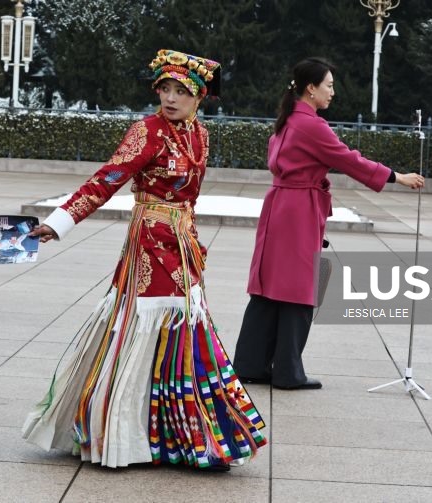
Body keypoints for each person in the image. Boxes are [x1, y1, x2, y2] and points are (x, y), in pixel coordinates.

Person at [22, 49, 267, 471]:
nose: (170, 98)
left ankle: (189, 437)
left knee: (185, 328)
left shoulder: (200, 134)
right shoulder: (147, 131)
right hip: (150, 243)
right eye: (165, 89)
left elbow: (189, 197)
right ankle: (135, 436)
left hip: (183, 243)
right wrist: (59, 222)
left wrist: (191, 239)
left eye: (181, 91)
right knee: (154, 325)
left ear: (199, 97)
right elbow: (105, 180)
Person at [233, 57, 424, 391]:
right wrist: (396, 176)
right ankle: (288, 372)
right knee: (299, 289)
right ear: (311, 88)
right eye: (329, 85)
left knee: (268, 288)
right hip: (298, 211)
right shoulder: (312, 125)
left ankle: (250, 364)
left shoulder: (287, 120)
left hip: (280, 206)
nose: (332, 92)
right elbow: (348, 159)